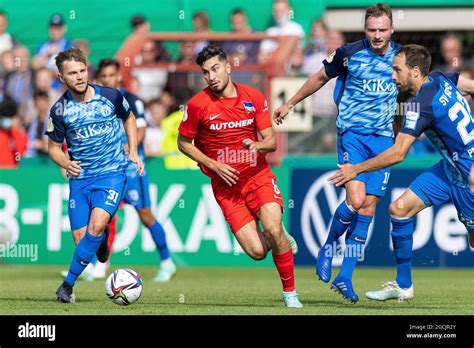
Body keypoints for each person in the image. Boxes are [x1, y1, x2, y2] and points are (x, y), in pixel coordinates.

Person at [273, 3, 401, 303]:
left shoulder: (402, 57)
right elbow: (320, 78)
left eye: (383, 30)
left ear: (392, 29)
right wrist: (289, 103)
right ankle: (329, 246)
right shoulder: (349, 54)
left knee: (368, 209)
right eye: (372, 30)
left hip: (384, 140)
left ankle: (345, 275)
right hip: (352, 136)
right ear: (364, 29)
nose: (377, 35)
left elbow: (422, 83)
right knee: (355, 200)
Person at [328, 44, 474, 301]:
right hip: (450, 168)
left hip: (466, 175)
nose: (392, 75)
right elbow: (470, 86)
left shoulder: (419, 105)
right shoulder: (440, 78)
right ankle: (404, 284)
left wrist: (356, 168)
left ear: (415, 72)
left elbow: (398, 153)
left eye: (397, 70)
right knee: (399, 209)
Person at [177, 45, 302, 308]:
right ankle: (277, 233)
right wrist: (214, 165)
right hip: (226, 187)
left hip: (258, 176)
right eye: (205, 72)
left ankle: (290, 294)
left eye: (215, 69)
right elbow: (183, 143)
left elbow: (271, 142)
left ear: (228, 67)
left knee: (271, 225)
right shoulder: (198, 105)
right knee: (257, 252)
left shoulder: (253, 97)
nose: (211, 76)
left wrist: (257, 146)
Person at [46, 47, 143, 303]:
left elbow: (129, 118)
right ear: (61, 77)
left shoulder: (110, 96)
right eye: (72, 73)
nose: (79, 77)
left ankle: (67, 285)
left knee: (96, 225)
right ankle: (100, 241)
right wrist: (66, 162)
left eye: (82, 70)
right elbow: (53, 148)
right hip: (80, 180)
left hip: (112, 173)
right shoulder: (59, 110)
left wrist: (133, 151)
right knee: (82, 240)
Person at [96, 58, 176, 282]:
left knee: (146, 215)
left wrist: (128, 148)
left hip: (132, 170)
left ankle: (167, 262)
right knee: (102, 216)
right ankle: (98, 265)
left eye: (112, 75)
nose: (108, 80)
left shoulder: (131, 100)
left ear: (119, 76)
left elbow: (140, 131)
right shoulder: (96, 102)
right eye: (104, 76)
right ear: (99, 78)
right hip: (108, 170)